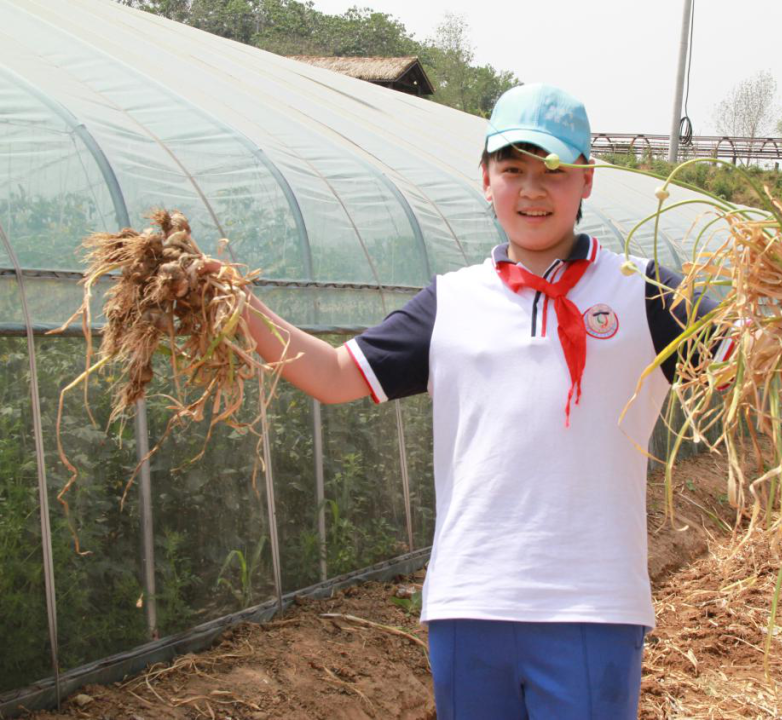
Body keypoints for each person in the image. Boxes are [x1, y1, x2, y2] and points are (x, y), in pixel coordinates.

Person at [221, 84, 714, 719]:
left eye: (555, 172)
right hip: (470, 601)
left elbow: (753, 361)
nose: (533, 190)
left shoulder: (643, 291)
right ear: (486, 180)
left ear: (587, 181)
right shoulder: (450, 301)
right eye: (513, 170)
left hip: (591, 602)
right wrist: (240, 306)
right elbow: (337, 375)